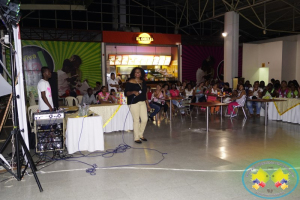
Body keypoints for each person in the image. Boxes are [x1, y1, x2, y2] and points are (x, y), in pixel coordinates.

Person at [125, 67, 150, 143]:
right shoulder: (130, 81)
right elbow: (126, 93)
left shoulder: (143, 81)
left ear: (141, 73)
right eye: (136, 72)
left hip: (142, 101)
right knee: (136, 120)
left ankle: (140, 134)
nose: (137, 73)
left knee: (145, 119)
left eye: (139, 72)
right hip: (133, 102)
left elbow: (145, 93)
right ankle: (136, 137)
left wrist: (147, 104)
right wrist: (133, 92)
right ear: (133, 73)